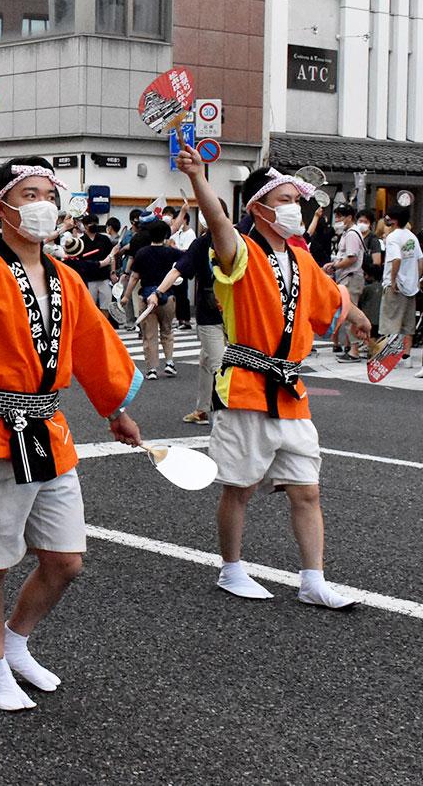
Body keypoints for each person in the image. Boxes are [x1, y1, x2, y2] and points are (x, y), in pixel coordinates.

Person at [0, 157, 142, 711]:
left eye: (49, 193)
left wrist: (115, 409)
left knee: (65, 561)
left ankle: (16, 642)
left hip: (47, 428)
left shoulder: (65, 277)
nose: (43, 204)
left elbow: (91, 345)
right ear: (4, 206)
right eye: (30, 193)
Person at [176, 151, 372, 609]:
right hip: (245, 384)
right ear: (258, 208)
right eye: (284, 200)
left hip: (290, 390)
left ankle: (313, 579)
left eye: (296, 201)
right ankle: (231, 569)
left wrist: (356, 315)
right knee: (239, 488)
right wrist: (198, 177)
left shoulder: (301, 261)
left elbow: (330, 301)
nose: (294, 208)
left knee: (307, 489)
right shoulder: (240, 252)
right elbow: (217, 221)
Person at [148, 199, 229, 424]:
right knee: (215, 363)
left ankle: (215, 413)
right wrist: (158, 292)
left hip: (234, 313)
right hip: (210, 313)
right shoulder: (202, 244)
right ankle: (215, 414)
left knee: (212, 364)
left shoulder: (240, 239)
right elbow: (177, 270)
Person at [122, 219, 182, 379]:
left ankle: (152, 369)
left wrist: (126, 296)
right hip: (167, 296)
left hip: (146, 297)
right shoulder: (170, 252)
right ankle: (169, 363)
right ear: (164, 235)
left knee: (149, 335)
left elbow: (134, 277)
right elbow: (186, 257)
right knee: (167, 331)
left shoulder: (142, 253)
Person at [323, 204, 365, 363]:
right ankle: (351, 346)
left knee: (350, 314)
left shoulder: (352, 234)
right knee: (347, 313)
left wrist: (335, 266)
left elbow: (352, 257)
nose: (338, 220)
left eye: (341, 216)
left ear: (349, 217)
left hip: (351, 277)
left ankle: (354, 351)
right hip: (347, 276)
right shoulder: (349, 233)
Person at [380, 207, 420, 368]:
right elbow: (420, 260)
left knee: (391, 322)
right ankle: (406, 357)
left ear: (394, 220)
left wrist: (393, 279)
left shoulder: (393, 237)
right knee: (408, 325)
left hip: (395, 286)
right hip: (411, 286)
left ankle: (390, 358)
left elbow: (396, 258)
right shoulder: (412, 237)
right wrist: (415, 278)